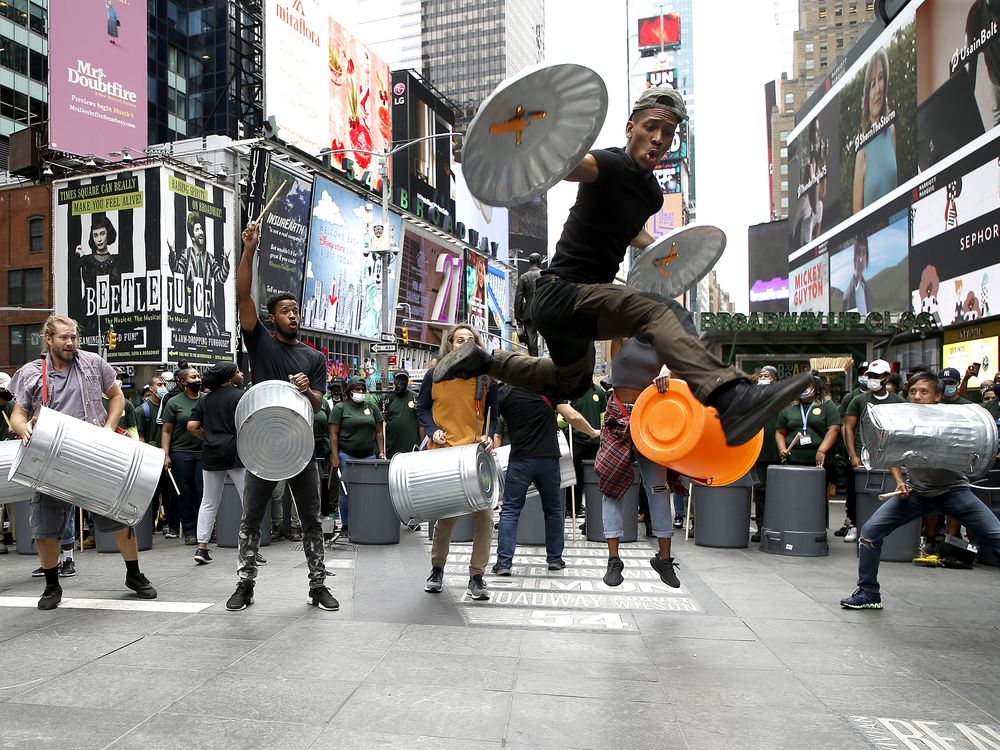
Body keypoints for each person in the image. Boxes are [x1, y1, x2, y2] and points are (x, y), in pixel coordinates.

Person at [434, 86, 812, 448]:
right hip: (561, 291)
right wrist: (524, 138)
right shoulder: (608, 164)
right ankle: (728, 395)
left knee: (572, 383)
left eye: (668, 132)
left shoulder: (652, 194)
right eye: (650, 127)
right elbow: (564, 168)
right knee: (659, 311)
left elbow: (632, 232)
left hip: (575, 308)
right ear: (630, 128)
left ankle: (484, 360)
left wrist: (671, 250)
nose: (659, 139)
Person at [8, 315, 157, 610]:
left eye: (74, 337)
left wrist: (107, 428)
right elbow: (18, 414)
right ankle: (52, 585)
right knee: (44, 527)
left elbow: (116, 397)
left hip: (93, 452)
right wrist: (21, 427)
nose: (71, 343)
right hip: (50, 459)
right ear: (48, 339)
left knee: (121, 515)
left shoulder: (92, 362)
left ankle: (134, 574)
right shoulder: (31, 372)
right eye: (64, 337)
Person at [232, 221, 337, 612]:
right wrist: (250, 250)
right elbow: (243, 293)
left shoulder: (314, 357)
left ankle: (318, 585)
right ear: (271, 317)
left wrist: (305, 388)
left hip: (300, 448)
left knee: (310, 519)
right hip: (261, 447)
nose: (292, 315)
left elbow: (319, 405)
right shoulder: (259, 342)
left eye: (295, 310)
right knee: (251, 518)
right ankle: (245, 585)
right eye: (284, 310)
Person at [840, 371, 1000, 609]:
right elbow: (889, 451)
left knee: (996, 537)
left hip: (954, 492)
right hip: (918, 493)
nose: (917, 396)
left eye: (924, 392)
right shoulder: (904, 422)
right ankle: (868, 592)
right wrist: (900, 481)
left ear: (937, 396)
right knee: (870, 532)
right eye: (913, 392)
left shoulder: (952, 421)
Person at [415, 324, 498, 601]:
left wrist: (488, 436)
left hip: (475, 455)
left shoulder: (485, 378)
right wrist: (431, 429)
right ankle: (436, 569)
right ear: (449, 344)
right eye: (458, 339)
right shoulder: (434, 375)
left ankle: (477, 576)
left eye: (469, 340)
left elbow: (493, 415)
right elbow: (422, 407)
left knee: (484, 517)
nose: (463, 343)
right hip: (444, 453)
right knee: (446, 519)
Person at [599, 338, 685, 589]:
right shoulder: (620, 337)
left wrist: (668, 373)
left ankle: (664, 559)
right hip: (618, 416)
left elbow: (682, 372)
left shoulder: (664, 343)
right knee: (611, 487)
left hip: (651, 417)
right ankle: (614, 560)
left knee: (658, 489)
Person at [491, 386, 598, 575]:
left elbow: (489, 419)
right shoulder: (547, 389)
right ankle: (555, 559)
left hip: (520, 460)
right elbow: (572, 417)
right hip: (548, 461)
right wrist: (592, 432)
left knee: (510, 511)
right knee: (553, 510)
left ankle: (504, 563)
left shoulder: (504, 394)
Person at [187, 363, 246, 566]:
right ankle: (248, 548)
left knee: (209, 500)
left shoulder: (206, 400)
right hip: (236, 451)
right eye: (237, 372)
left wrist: (209, 437)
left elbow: (192, 426)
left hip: (211, 452)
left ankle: (202, 547)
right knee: (247, 500)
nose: (241, 374)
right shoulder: (241, 397)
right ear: (229, 378)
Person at [842, 359, 904, 543]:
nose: (872, 379)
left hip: (890, 457)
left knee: (886, 492)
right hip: (864, 456)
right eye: (870, 376)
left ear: (886, 378)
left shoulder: (898, 401)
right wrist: (853, 455)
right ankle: (854, 525)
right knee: (856, 493)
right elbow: (848, 428)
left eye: (876, 376)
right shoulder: (858, 400)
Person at [328, 376, 385, 535]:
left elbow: (379, 431)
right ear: (349, 391)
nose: (360, 392)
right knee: (346, 491)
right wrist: (335, 456)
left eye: (362, 389)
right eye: (356, 389)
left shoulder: (371, 407)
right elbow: (333, 435)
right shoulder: (340, 408)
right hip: (346, 455)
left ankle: (367, 520)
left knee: (369, 491)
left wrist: (381, 452)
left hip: (368, 456)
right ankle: (346, 524)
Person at [168, 212, 230, 338]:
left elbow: (220, 278)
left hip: (206, 305)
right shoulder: (186, 254)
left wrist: (226, 263)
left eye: (201, 229)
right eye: (197, 230)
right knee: (179, 336)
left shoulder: (210, 258)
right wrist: (172, 255)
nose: (201, 232)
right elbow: (178, 271)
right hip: (189, 302)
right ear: (192, 237)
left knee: (215, 335)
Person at [775, 375, 842, 492]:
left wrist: (822, 450)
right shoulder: (789, 406)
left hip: (819, 459)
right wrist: (782, 449)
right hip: (794, 459)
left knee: (816, 495)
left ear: (815, 388)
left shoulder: (827, 405)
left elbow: (834, 429)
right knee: (794, 494)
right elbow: (780, 431)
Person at [160, 367, 204, 546]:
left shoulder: (206, 400)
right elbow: (166, 431)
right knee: (185, 492)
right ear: (183, 382)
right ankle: (189, 530)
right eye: (193, 377)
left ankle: (204, 529)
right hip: (181, 453)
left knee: (202, 492)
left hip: (202, 452)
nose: (198, 379)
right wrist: (166, 454)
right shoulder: (174, 402)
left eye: (198, 376)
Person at [852, 48, 897, 212]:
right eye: (872, 84)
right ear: (867, 93)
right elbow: (857, 221)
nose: (877, 89)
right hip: (874, 235)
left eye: (881, 78)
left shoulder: (891, 131)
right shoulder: (862, 153)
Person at [137, 375, 175, 536]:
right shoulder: (142, 411)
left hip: (168, 457)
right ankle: (149, 525)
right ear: (151, 388)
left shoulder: (169, 407)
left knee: (169, 492)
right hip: (151, 458)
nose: (163, 387)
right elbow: (140, 437)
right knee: (151, 493)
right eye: (159, 384)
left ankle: (168, 523)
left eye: (165, 384)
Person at [565, 380, 607, 518]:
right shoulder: (570, 391)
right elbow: (561, 419)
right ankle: (573, 507)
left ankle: (595, 508)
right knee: (575, 477)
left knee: (595, 477)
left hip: (595, 442)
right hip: (576, 440)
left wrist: (602, 434)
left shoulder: (599, 392)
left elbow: (603, 418)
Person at [751, 366, 783, 543]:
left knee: (779, 491)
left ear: (775, 380)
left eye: (767, 376)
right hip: (759, 452)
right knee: (760, 490)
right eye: (761, 375)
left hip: (778, 452)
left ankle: (778, 525)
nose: (763, 378)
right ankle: (761, 527)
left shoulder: (781, 398)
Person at [382, 370, 422, 459]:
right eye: (398, 378)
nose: (401, 381)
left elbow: (421, 424)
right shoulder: (387, 398)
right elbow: (381, 424)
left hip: (411, 448)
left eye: (404, 379)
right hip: (391, 447)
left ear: (408, 381)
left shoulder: (415, 397)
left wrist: (423, 445)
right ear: (394, 380)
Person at [514, 253, 544, 357]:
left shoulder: (523, 277)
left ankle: (534, 362)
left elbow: (518, 299)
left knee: (532, 342)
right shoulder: (545, 275)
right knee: (549, 336)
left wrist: (518, 318)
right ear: (540, 261)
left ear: (529, 262)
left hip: (529, 313)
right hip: (544, 311)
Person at [842, 236, 872, 315]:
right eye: (858, 253)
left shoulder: (867, 290)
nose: (861, 260)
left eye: (864, 253)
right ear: (853, 256)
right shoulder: (848, 294)